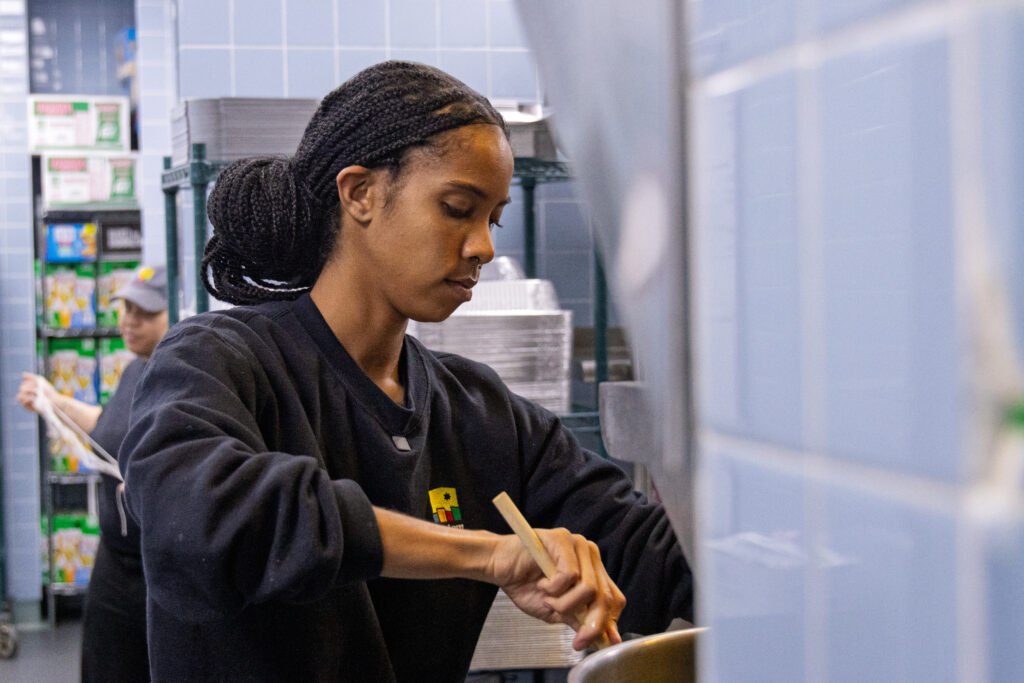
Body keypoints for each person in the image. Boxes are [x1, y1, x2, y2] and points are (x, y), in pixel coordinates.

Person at [121, 61, 693, 682]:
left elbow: (653, 552)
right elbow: (209, 520)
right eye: (457, 208)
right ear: (360, 193)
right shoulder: (219, 360)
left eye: (492, 218)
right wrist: (486, 554)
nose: (484, 247)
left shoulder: (481, 412)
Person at [17, 264, 168, 682]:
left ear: (174, 314)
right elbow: (110, 424)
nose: (128, 320)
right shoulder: (136, 368)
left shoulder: (183, 379)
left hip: (155, 569)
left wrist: (150, 476)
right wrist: (55, 401)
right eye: (126, 308)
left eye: (144, 312)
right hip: (115, 562)